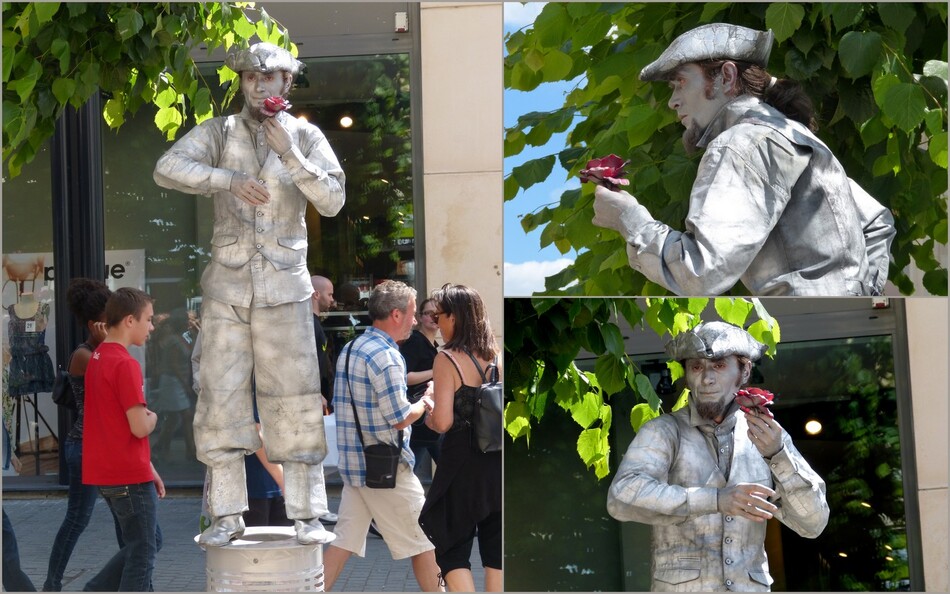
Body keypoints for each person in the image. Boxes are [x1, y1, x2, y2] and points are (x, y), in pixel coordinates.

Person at [153, 41, 344, 546]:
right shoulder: (219, 132)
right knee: (219, 399)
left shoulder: (305, 134)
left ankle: (307, 514)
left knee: (297, 397)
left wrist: (290, 154)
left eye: (271, 77)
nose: (260, 86)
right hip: (228, 287)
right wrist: (228, 180)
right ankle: (226, 515)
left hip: (285, 286)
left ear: (288, 83)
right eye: (251, 78)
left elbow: (332, 200)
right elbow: (167, 167)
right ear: (241, 82)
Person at [591, 23, 896, 296]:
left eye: (681, 82)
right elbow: (876, 221)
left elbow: (702, 273)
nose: (672, 101)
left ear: (726, 76)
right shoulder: (790, 131)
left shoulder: (742, 142)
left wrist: (628, 219)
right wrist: (856, 294)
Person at [606, 321, 829, 592]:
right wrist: (715, 500)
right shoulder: (664, 431)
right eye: (697, 367)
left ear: (744, 371)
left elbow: (814, 522)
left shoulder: (767, 435)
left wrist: (778, 455)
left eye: (720, 366)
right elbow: (620, 497)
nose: (706, 379)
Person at [322, 280, 441, 592]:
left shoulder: (351, 348)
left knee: (343, 542)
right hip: (386, 469)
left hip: (356, 467)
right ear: (397, 315)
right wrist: (427, 400)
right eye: (414, 314)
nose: (416, 322)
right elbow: (400, 417)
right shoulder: (386, 356)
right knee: (426, 538)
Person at [418, 285, 502, 592]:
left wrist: (428, 410)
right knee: (496, 552)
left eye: (440, 315)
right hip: (497, 463)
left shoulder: (446, 358)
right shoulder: (496, 356)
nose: (437, 322)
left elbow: (442, 422)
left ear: (456, 317)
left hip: (462, 464)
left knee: (451, 547)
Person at [82, 287, 165, 592]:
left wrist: (149, 467)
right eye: (149, 319)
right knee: (142, 553)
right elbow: (139, 427)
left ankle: (94, 589)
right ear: (130, 320)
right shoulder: (125, 363)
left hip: (112, 472)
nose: (152, 326)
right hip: (127, 475)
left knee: (145, 542)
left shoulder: (99, 356)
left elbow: (111, 423)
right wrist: (154, 416)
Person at [44, 278, 123, 592]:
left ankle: (138, 581)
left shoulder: (103, 351)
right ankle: (52, 583)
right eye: (110, 320)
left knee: (126, 521)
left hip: (105, 449)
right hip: (84, 448)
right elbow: (109, 390)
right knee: (78, 518)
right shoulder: (85, 355)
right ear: (95, 324)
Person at [400, 298, 442, 482]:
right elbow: (405, 377)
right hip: (419, 413)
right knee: (410, 468)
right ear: (420, 317)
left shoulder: (432, 346)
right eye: (428, 313)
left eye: (438, 313)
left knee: (412, 468)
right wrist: (437, 372)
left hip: (429, 413)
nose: (434, 317)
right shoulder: (415, 342)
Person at [311, 274, 336, 412]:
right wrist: (316, 394)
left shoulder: (314, 323)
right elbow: (306, 363)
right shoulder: (310, 325)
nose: (332, 300)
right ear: (317, 294)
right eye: (330, 294)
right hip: (315, 398)